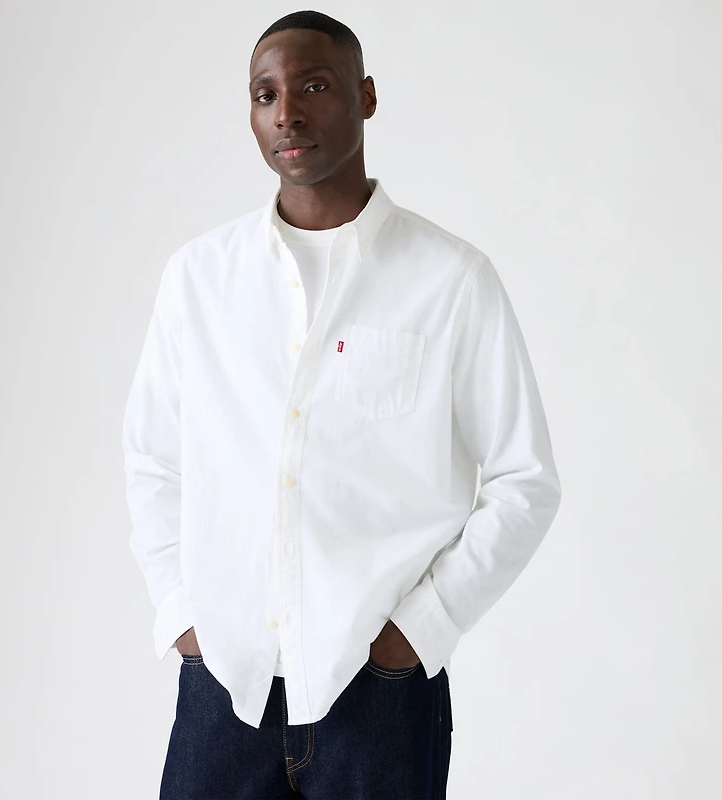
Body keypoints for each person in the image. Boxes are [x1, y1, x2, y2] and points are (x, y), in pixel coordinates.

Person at [122, 9, 562, 799]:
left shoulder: (450, 280)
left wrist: (416, 632)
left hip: (379, 694)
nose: (287, 113)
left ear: (366, 97)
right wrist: (181, 613)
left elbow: (524, 479)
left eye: (315, 87)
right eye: (265, 94)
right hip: (226, 685)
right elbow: (152, 457)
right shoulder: (200, 279)